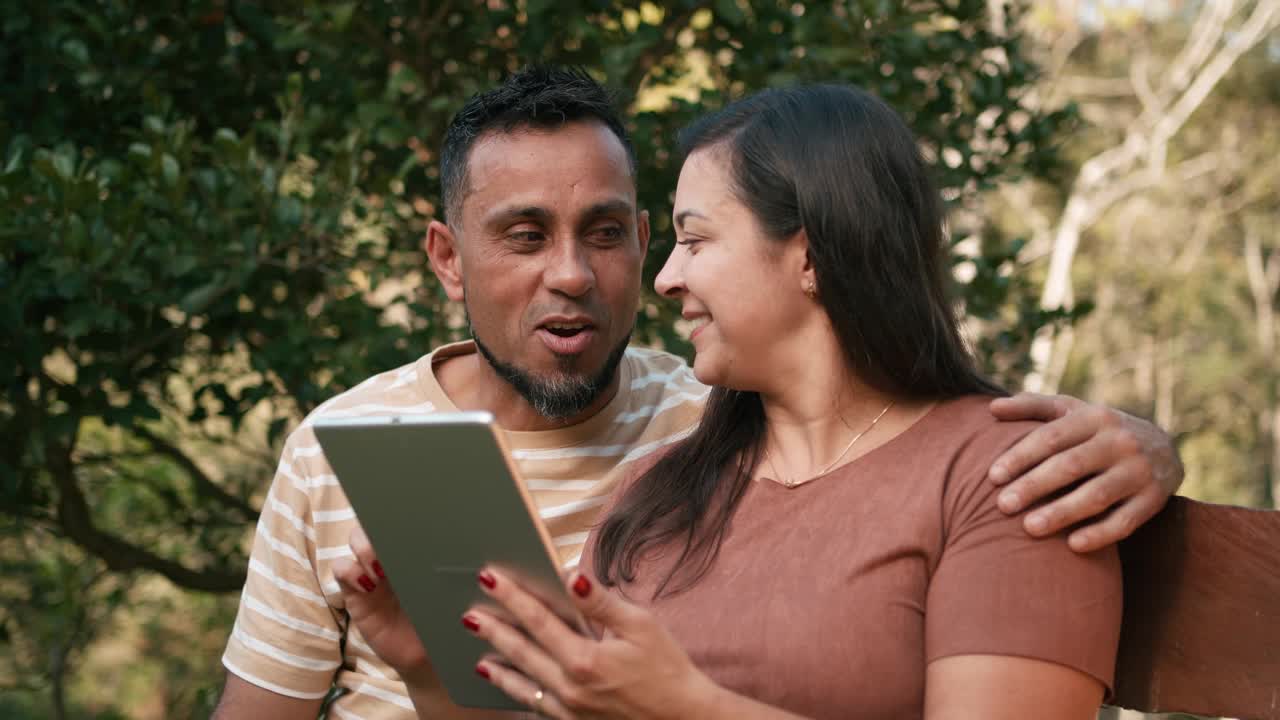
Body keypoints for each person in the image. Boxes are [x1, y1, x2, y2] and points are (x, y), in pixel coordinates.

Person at [212, 68, 1181, 720]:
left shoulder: (979, 476)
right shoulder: (667, 486)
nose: (649, 279)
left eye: (681, 239)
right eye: (521, 236)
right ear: (446, 260)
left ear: (810, 251)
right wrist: (430, 668)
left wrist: (1144, 442)